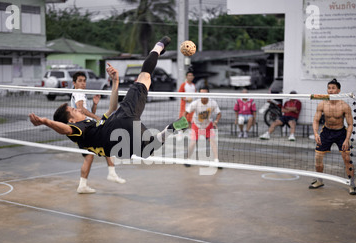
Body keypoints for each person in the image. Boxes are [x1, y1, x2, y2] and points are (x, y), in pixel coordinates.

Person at [29, 36, 189, 165]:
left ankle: (173, 128)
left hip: (119, 132)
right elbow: (64, 129)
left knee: (147, 151)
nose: (77, 109)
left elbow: (112, 108)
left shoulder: (92, 127)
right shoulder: (78, 130)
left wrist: (115, 81)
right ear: (71, 120)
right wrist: (45, 121)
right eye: (73, 110)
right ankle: (159, 46)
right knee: (144, 76)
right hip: (122, 122)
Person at [70, 71, 126, 194]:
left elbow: (85, 111)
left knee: (90, 156)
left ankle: (83, 185)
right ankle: (111, 173)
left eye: (84, 80)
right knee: (105, 141)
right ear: (74, 83)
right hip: (83, 129)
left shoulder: (82, 94)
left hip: (86, 128)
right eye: (80, 81)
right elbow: (80, 110)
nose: (83, 83)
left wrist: (95, 104)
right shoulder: (78, 93)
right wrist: (96, 117)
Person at [310, 78, 356, 195]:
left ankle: (352, 184)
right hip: (326, 132)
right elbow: (315, 120)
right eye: (329, 88)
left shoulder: (344, 106)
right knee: (318, 158)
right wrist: (316, 133)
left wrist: (347, 139)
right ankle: (319, 181)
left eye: (333, 88)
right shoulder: (322, 104)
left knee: (347, 158)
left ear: (338, 90)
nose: (330, 90)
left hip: (341, 133)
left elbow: (350, 124)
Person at [182, 87, 221, 167]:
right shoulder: (195, 103)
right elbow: (185, 112)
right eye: (201, 93)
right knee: (192, 143)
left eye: (205, 93)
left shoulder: (212, 103)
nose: (203, 95)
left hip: (208, 125)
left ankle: (217, 160)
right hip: (196, 125)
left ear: (208, 94)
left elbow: (219, 113)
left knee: (213, 142)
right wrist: (185, 121)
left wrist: (216, 121)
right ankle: (188, 159)